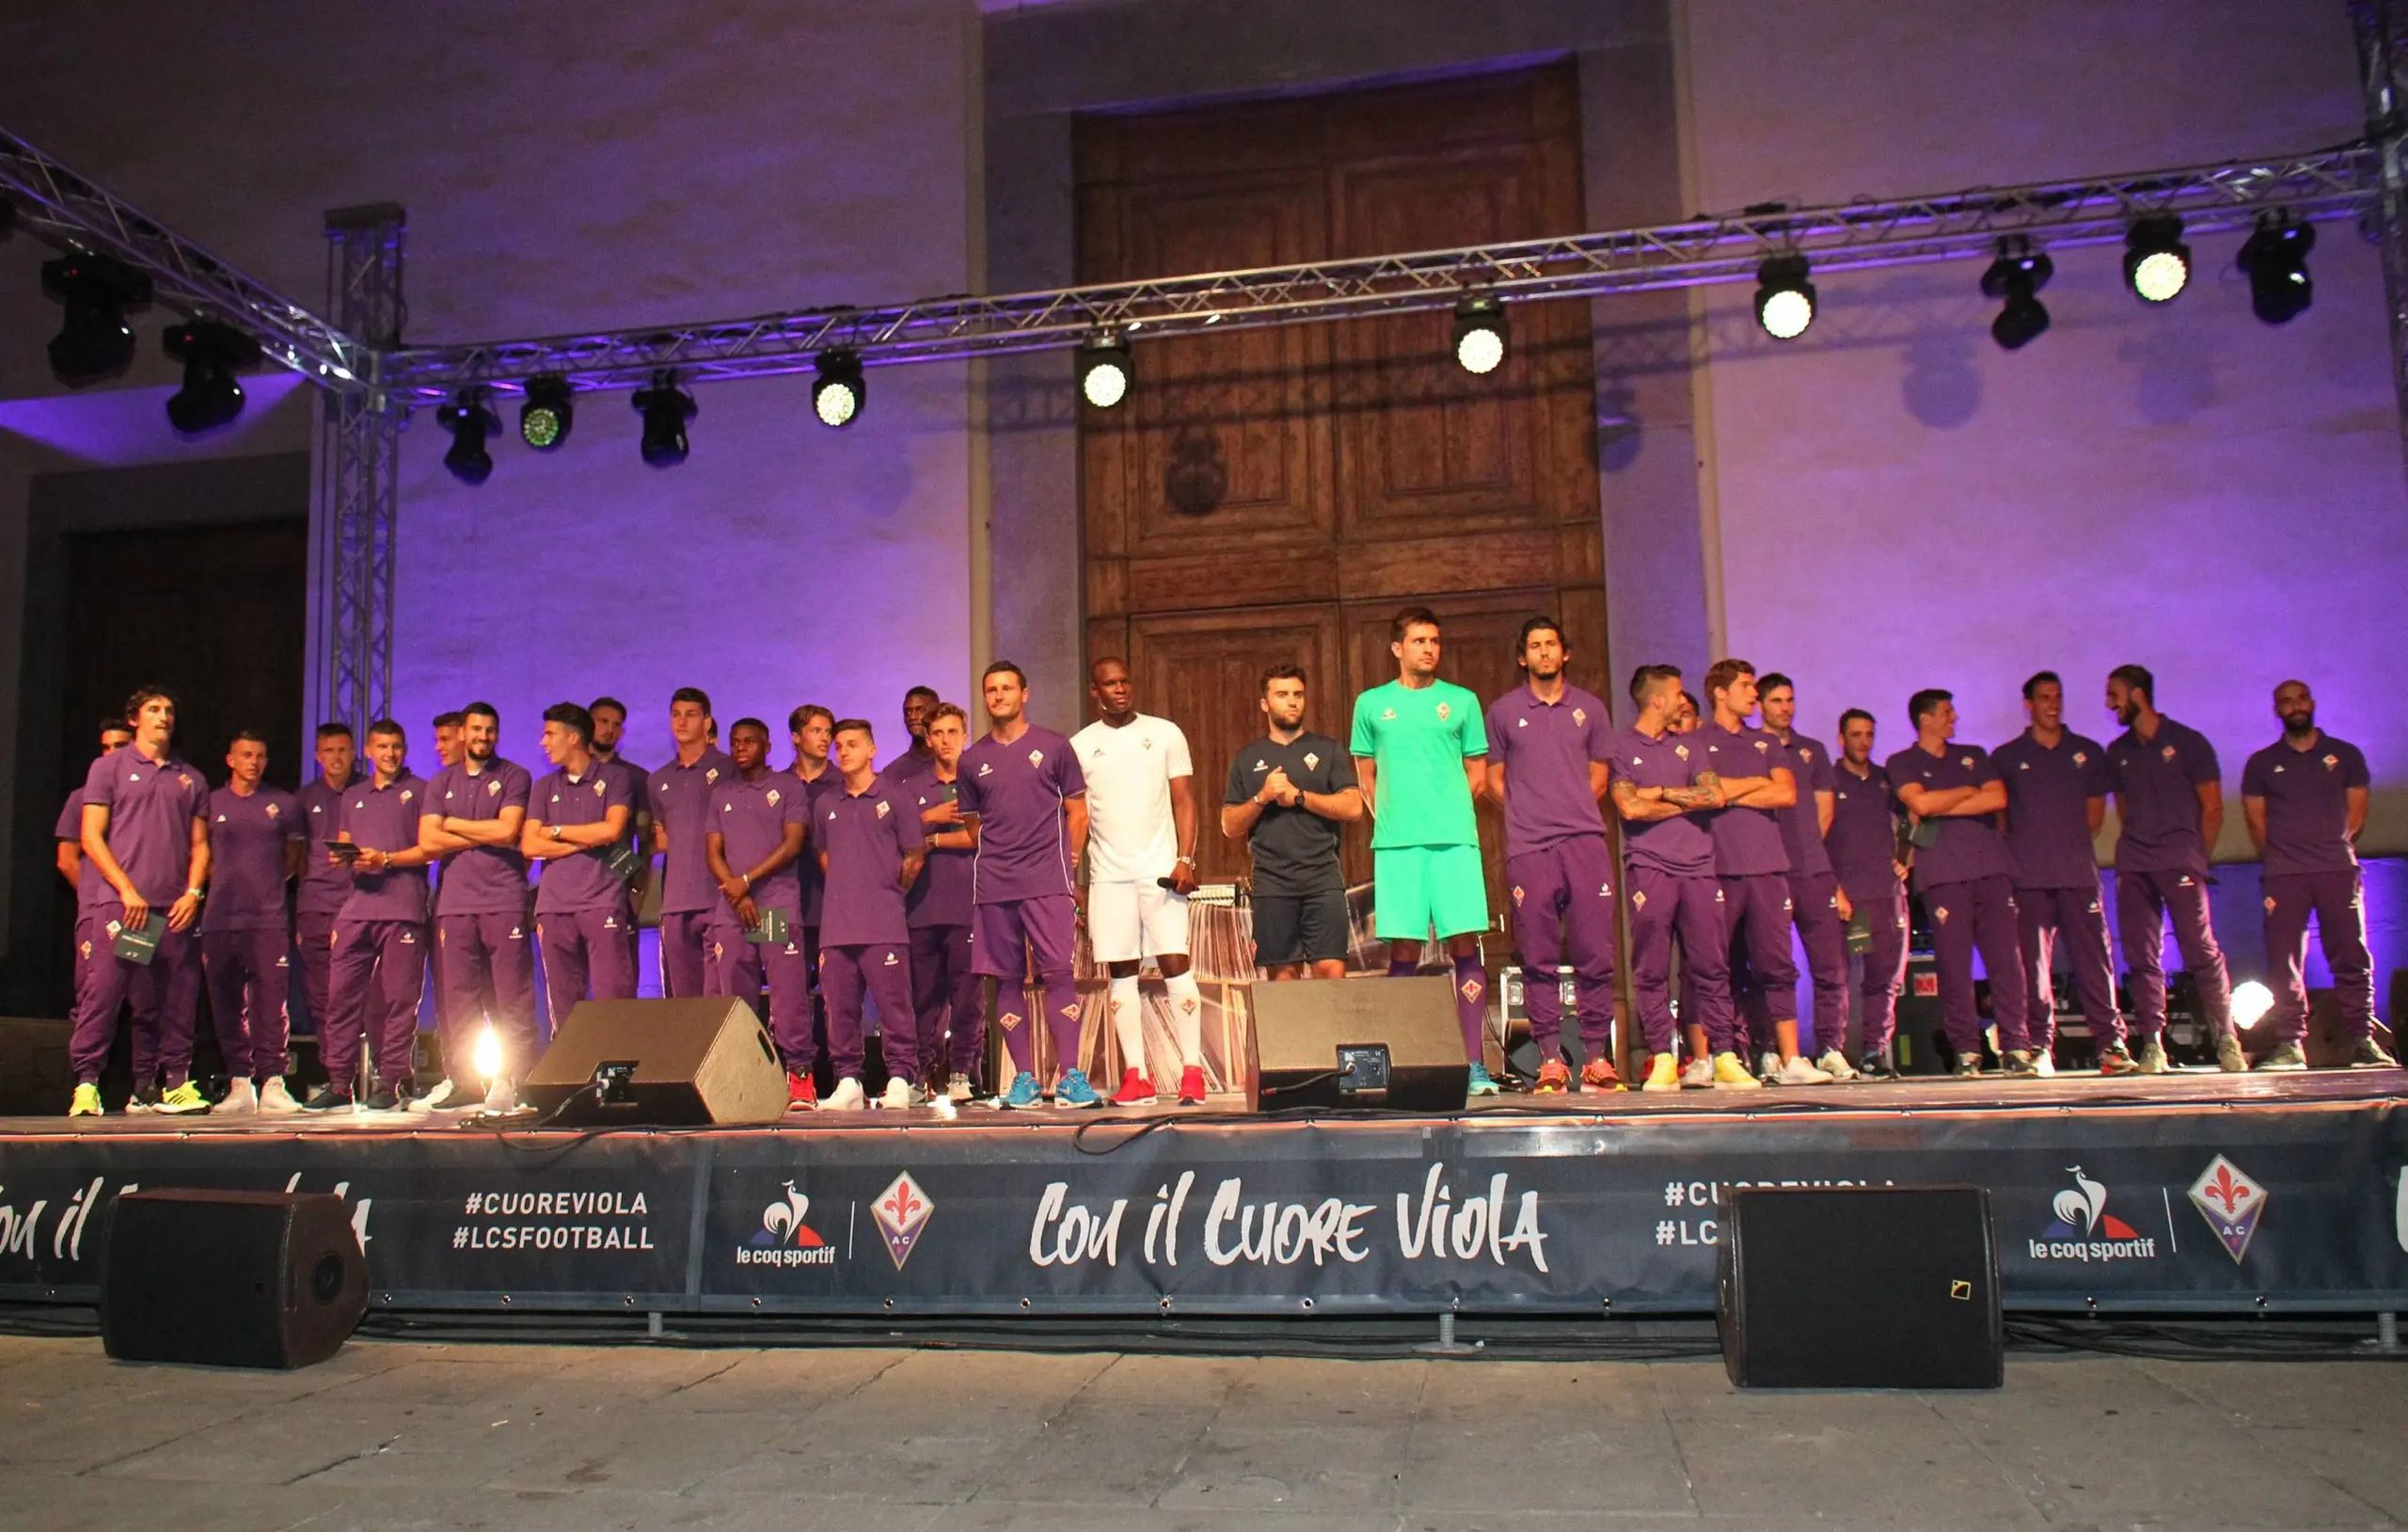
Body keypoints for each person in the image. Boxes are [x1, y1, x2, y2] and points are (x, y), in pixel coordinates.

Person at [1351, 607, 1497, 1096]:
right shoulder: (1371, 704)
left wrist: (1448, 808)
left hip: (1455, 841)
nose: (1428, 648)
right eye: (1418, 641)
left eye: (1434, 640)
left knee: (1464, 942)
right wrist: (1392, 814)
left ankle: (1474, 1063)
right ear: (1398, 648)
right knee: (1404, 947)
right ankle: (1402, 1060)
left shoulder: (1462, 702)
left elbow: (1477, 771)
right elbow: (1364, 773)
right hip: (1398, 845)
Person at [1482, 617, 1619, 1093]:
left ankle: (1597, 1058)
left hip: (1583, 842)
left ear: (1565, 653)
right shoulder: (1502, 712)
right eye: (1535, 646)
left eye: (1551, 645)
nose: (1544, 652)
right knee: (1537, 956)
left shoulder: (1591, 709)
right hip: (1529, 848)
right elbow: (1494, 780)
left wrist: (1570, 809)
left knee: (1594, 953)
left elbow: (1600, 776)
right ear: (1523, 657)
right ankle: (1550, 1060)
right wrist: (1528, 811)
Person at [956, 661, 1095, 1109]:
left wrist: (1067, 864)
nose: (998, 696)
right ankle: (1025, 1081)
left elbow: (1079, 813)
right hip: (995, 885)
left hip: (1047, 881)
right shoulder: (972, 759)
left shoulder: (1054, 747)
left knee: (1058, 973)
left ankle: (1072, 1076)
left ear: (1025, 693)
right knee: (1007, 978)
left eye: (1007, 688)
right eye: (991, 690)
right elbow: (975, 826)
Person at [68, 687, 211, 1117]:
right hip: (126, 908)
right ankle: (87, 1084)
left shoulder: (192, 778)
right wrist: (126, 890)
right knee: (105, 994)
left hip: (174, 909)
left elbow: (201, 845)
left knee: (175, 998)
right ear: (135, 719)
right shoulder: (109, 767)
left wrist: (193, 893)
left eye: (169, 710)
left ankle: (176, 1084)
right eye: (154, 709)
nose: (164, 716)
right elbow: (91, 836)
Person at [1071, 656, 1207, 1109]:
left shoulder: (1165, 732)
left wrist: (1186, 857)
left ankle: (1192, 1072)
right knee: (1121, 972)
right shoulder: (1080, 745)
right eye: (1110, 684)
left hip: (1161, 869)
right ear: (1096, 691)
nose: (1120, 689)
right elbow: (1079, 817)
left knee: (1175, 963)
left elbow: (1185, 799)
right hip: (1108, 875)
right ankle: (1137, 1075)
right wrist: (1075, 878)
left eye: (1126, 681)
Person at [1609, 665, 1751, 1092]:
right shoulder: (1620, 749)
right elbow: (1630, 809)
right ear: (1657, 700)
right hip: (1650, 867)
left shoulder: (1690, 748)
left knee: (1711, 964)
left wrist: (1663, 792)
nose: (1682, 701)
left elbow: (1716, 795)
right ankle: (1664, 1056)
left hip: (1698, 868)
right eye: (1676, 694)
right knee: (1651, 968)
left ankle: (1724, 1055)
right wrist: (1685, 801)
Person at [2242, 679, 2392, 1070]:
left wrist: (2330, 846)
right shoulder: (2261, 763)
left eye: (2300, 698)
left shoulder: (2345, 755)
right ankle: (2290, 1044)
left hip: (2336, 869)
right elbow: (2257, 824)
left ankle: (2362, 1039)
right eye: (2285, 701)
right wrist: (2286, 856)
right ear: (2277, 710)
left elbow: (2356, 815)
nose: (2294, 706)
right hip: (2285, 873)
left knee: (2351, 952)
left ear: (2312, 703)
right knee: (2284, 959)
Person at [2103, 665, 2242, 1073]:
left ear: (2138, 695)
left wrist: (2195, 856)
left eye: (2115, 694)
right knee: (2142, 955)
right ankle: (2152, 1044)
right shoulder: (2118, 751)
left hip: (2180, 860)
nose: (2110, 702)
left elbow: (2212, 807)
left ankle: (2228, 1039)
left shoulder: (2188, 742)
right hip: (2135, 863)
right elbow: (2125, 809)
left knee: (2201, 950)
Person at [1887, 690, 2030, 1078]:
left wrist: (1947, 800)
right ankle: (1967, 1051)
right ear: (1925, 719)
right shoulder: (1901, 762)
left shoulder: (1974, 755)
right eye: (1947, 712)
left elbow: (1996, 798)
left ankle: (2017, 1046)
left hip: (1991, 870)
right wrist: (1968, 792)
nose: (1954, 717)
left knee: (2007, 963)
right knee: (1954, 967)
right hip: (1943, 876)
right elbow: (1922, 806)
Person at [1993, 672, 2127, 1075]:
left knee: (2095, 961)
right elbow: (2002, 822)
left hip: (2078, 876)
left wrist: (2063, 847)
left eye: (2058, 697)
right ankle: (2039, 1047)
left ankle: (2111, 1044)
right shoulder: (2006, 756)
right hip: (2029, 880)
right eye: (2044, 697)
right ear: (2028, 704)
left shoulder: (2086, 751)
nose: (2053, 704)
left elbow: (2094, 818)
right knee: (2032, 969)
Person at [1701, 660, 1827, 1085]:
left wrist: (1731, 791)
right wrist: (1753, 786)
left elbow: (1785, 792)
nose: (1753, 695)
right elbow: (1707, 794)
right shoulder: (1697, 741)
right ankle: (1724, 1055)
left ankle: (1791, 1058)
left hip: (1769, 867)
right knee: (1717, 966)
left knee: (1777, 964)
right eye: (1746, 687)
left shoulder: (1766, 743)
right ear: (1720, 692)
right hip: (1718, 867)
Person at [416, 702, 534, 1112]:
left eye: (490, 731)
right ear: (463, 734)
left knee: (510, 997)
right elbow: (428, 843)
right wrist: (482, 833)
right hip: (454, 904)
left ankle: (511, 1078)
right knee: (459, 1000)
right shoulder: (440, 781)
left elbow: (508, 830)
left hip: (503, 899)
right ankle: (467, 1083)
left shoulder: (515, 775)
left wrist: (452, 825)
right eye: (476, 730)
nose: (483, 737)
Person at [309, 719, 432, 1112]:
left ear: (405, 749)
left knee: (398, 1001)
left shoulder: (420, 791)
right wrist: (344, 857)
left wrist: (387, 860)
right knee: (340, 999)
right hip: (357, 910)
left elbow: (429, 849)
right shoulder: (353, 795)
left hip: (403, 909)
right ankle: (339, 1083)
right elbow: (347, 843)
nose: (390, 754)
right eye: (382, 747)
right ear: (369, 751)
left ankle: (390, 1083)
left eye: (396, 746)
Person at [1222, 665, 1362, 982]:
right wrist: (1263, 796)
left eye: (1298, 694)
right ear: (1265, 703)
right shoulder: (1248, 758)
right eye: (1282, 695)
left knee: (1331, 973)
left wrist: (1299, 797)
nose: (1292, 702)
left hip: (1322, 878)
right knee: (1283, 977)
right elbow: (1229, 824)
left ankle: (1331, 1035)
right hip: (1272, 882)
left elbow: (1354, 807)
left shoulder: (1328, 750)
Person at [815, 719, 927, 1110]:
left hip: (884, 923)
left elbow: (914, 855)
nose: (843, 751)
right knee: (839, 1008)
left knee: (895, 1005)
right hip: (836, 927)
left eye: (852, 744)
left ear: (872, 750)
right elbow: (824, 855)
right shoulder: (826, 804)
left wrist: (887, 892)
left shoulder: (896, 798)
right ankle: (848, 1081)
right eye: (838, 745)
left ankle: (900, 1077)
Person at [705, 718, 816, 1106]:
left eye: (749, 741)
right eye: (735, 742)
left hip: (774, 905)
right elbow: (713, 852)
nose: (740, 748)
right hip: (734, 910)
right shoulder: (721, 793)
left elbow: (793, 843)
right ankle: (744, 1078)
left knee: (787, 997)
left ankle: (799, 1074)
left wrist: (748, 880)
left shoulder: (787, 787)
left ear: (767, 746)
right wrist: (738, 893)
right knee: (737, 1000)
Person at [1757, 674, 1855, 1081]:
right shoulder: (1751, 748)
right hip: (1770, 872)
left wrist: (1807, 848)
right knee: (1770, 966)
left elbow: (1824, 812)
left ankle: (1832, 1047)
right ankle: (1771, 1051)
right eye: (1777, 701)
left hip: (1814, 872)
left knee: (1830, 967)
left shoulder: (1812, 750)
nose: (1786, 708)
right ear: (1760, 705)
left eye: (1790, 700)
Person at [199, 730, 301, 1114]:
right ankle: (240, 1082)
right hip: (220, 918)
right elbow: (200, 855)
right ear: (230, 759)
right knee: (225, 1001)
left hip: (268, 919)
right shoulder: (211, 802)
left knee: (271, 1000)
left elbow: (293, 859)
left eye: (260, 755)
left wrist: (266, 888)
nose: (254, 762)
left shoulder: (284, 804)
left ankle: (273, 1080)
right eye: (246, 755)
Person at [522, 703, 639, 1026]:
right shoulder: (544, 787)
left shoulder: (616, 778)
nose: (543, 742)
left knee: (612, 1002)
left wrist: (557, 832)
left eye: (549, 734)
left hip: (601, 901)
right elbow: (530, 844)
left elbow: (612, 830)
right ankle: (573, 1076)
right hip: (553, 906)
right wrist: (586, 839)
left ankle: (616, 1073)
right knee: (564, 1008)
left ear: (573, 738)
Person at [906, 703, 984, 1102]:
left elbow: (981, 836)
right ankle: (920, 1075)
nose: (946, 740)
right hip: (921, 907)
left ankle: (961, 1073)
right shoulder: (912, 787)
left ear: (965, 734)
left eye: (954, 731)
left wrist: (933, 839)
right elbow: (897, 837)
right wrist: (930, 816)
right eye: (938, 733)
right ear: (927, 738)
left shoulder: (979, 779)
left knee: (966, 997)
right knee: (922, 996)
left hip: (969, 905)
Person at [1829, 709, 1908, 1079]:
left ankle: (1874, 1052)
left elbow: (1922, 817)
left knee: (1884, 978)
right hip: (1849, 899)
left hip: (1885, 896)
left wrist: (1908, 857)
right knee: (1841, 978)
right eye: (1856, 735)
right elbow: (1814, 837)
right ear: (1841, 739)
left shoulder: (1884, 780)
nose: (1864, 741)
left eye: (1869, 735)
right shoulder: (1829, 779)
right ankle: (1834, 1053)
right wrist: (1832, 886)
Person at [649, 688, 735, 1001]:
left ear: (707, 721)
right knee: (683, 1006)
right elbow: (663, 838)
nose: (681, 721)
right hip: (674, 906)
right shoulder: (658, 780)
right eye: (676, 714)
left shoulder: (729, 769)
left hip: (719, 900)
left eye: (691, 714)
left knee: (716, 1002)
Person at [293, 721, 358, 1051]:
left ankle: (367, 1073)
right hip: (317, 906)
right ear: (318, 755)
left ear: (355, 752)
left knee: (359, 991)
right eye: (329, 751)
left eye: (343, 750)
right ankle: (333, 1071)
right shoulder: (304, 799)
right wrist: (301, 912)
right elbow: (297, 859)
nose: (336, 757)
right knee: (321, 993)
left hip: (360, 903)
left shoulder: (366, 791)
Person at [786, 704, 843, 1076]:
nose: (825, 738)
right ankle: (794, 1074)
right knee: (787, 996)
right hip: (782, 904)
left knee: (837, 995)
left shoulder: (843, 784)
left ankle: (843, 1075)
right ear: (796, 737)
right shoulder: (776, 784)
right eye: (816, 730)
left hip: (832, 906)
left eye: (828, 731)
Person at [589, 695, 652, 972]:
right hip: (570, 887)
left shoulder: (634, 777)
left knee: (619, 978)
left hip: (617, 887)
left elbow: (645, 839)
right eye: (603, 721)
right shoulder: (563, 776)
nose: (609, 730)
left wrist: (635, 888)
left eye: (617, 725)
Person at [54, 716, 135, 890]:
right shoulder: (81, 797)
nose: (112, 753)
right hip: (102, 904)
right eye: (106, 747)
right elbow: (66, 860)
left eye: (120, 746)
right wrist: (91, 899)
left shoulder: (155, 793)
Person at [877, 686, 942, 785]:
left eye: (920, 710)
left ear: (937, 713)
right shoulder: (892, 773)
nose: (912, 717)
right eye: (908, 712)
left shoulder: (960, 764)